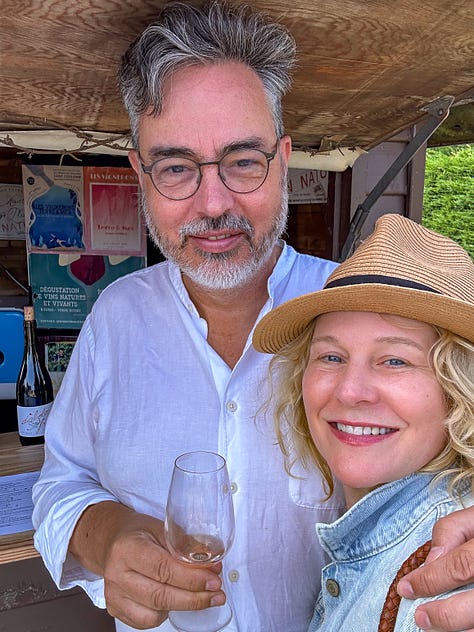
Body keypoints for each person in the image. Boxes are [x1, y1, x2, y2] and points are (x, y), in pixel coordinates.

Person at [31, 2, 474, 631]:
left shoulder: (357, 314)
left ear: (283, 159)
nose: (213, 204)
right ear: (140, 173)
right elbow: (60, 481)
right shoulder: (116, 317)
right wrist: (107, 535)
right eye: (177, 167)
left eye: (242, 161)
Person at [253, 213, 474, 630]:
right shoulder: (380, 544)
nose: (351, 391)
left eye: (394, 360)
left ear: (458, 389)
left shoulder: (444, 579)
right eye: (331, 357)